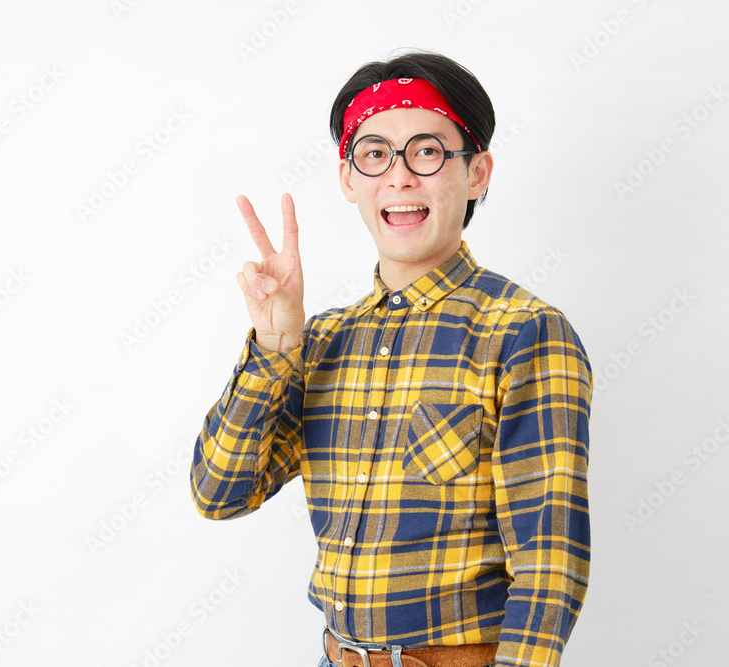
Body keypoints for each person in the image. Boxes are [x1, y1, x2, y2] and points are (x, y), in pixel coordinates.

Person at [191, 51, 593, 667]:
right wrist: (273, 348)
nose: (399, 177)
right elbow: (219, 493)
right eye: (375, 153)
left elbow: (550, 562)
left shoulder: (523, 332)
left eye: (427, 151)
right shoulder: (320, 341)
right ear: (349, 179)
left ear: (477, 173)